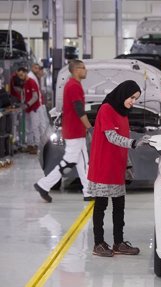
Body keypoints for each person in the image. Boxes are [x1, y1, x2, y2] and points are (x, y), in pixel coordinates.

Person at [87, 80, 148, 257]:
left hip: (116, 167)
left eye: (135, 99)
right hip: (103, 167)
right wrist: (134, 143)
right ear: (123, 93)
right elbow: (112, 136)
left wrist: (127, 164)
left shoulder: (123, 113)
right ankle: (98, 243)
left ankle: (118, 242)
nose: (133, 102)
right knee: (101, 205)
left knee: (119, 207)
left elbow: (121, 142)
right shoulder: (106, 109)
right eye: (131, 97)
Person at [34, 60, 93, 202]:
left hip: (75, 130)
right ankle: (44, 184)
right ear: (76, 70)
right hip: (74, 131)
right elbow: (79, 110)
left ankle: (88, 192)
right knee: (70, 161)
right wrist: (90, 127)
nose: (86, 70)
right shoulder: (73, 86)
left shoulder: (73, 85)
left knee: (83, 161)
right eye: (83, 68)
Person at [16, 67, 43, 154]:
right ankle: (30, 145)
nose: (21, 77)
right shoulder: (25, 83)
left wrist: (27, 104)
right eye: (19, 76)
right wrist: (22, 104)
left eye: (22, 74)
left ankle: (37, 146)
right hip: (27, 109)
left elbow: (35, 97)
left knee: (35, 127)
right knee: (28, 128)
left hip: (34, 108)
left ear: (25, 72)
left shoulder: (31, 82)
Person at [28, 63, 49, 136]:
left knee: (42, 123)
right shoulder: (31, 78)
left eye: (39, 69)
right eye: (36, 69)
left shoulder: (37, 78)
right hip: (35, 106)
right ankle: (37, 143)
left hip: (39, 104)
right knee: (37, 125)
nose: (42, 72)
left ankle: (40, 142)